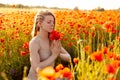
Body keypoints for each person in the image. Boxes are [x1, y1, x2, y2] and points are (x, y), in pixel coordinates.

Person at [27, 10, 71, 80]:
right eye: (49, 22)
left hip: (49, 77)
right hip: (36, 78)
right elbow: (37, 68)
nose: (52, 24)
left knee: (69, 77)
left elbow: (69, 57)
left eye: (53, 22)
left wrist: (57, 53)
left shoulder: (52, 40)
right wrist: (54, 55)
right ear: (40, 24)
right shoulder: (35, 42)